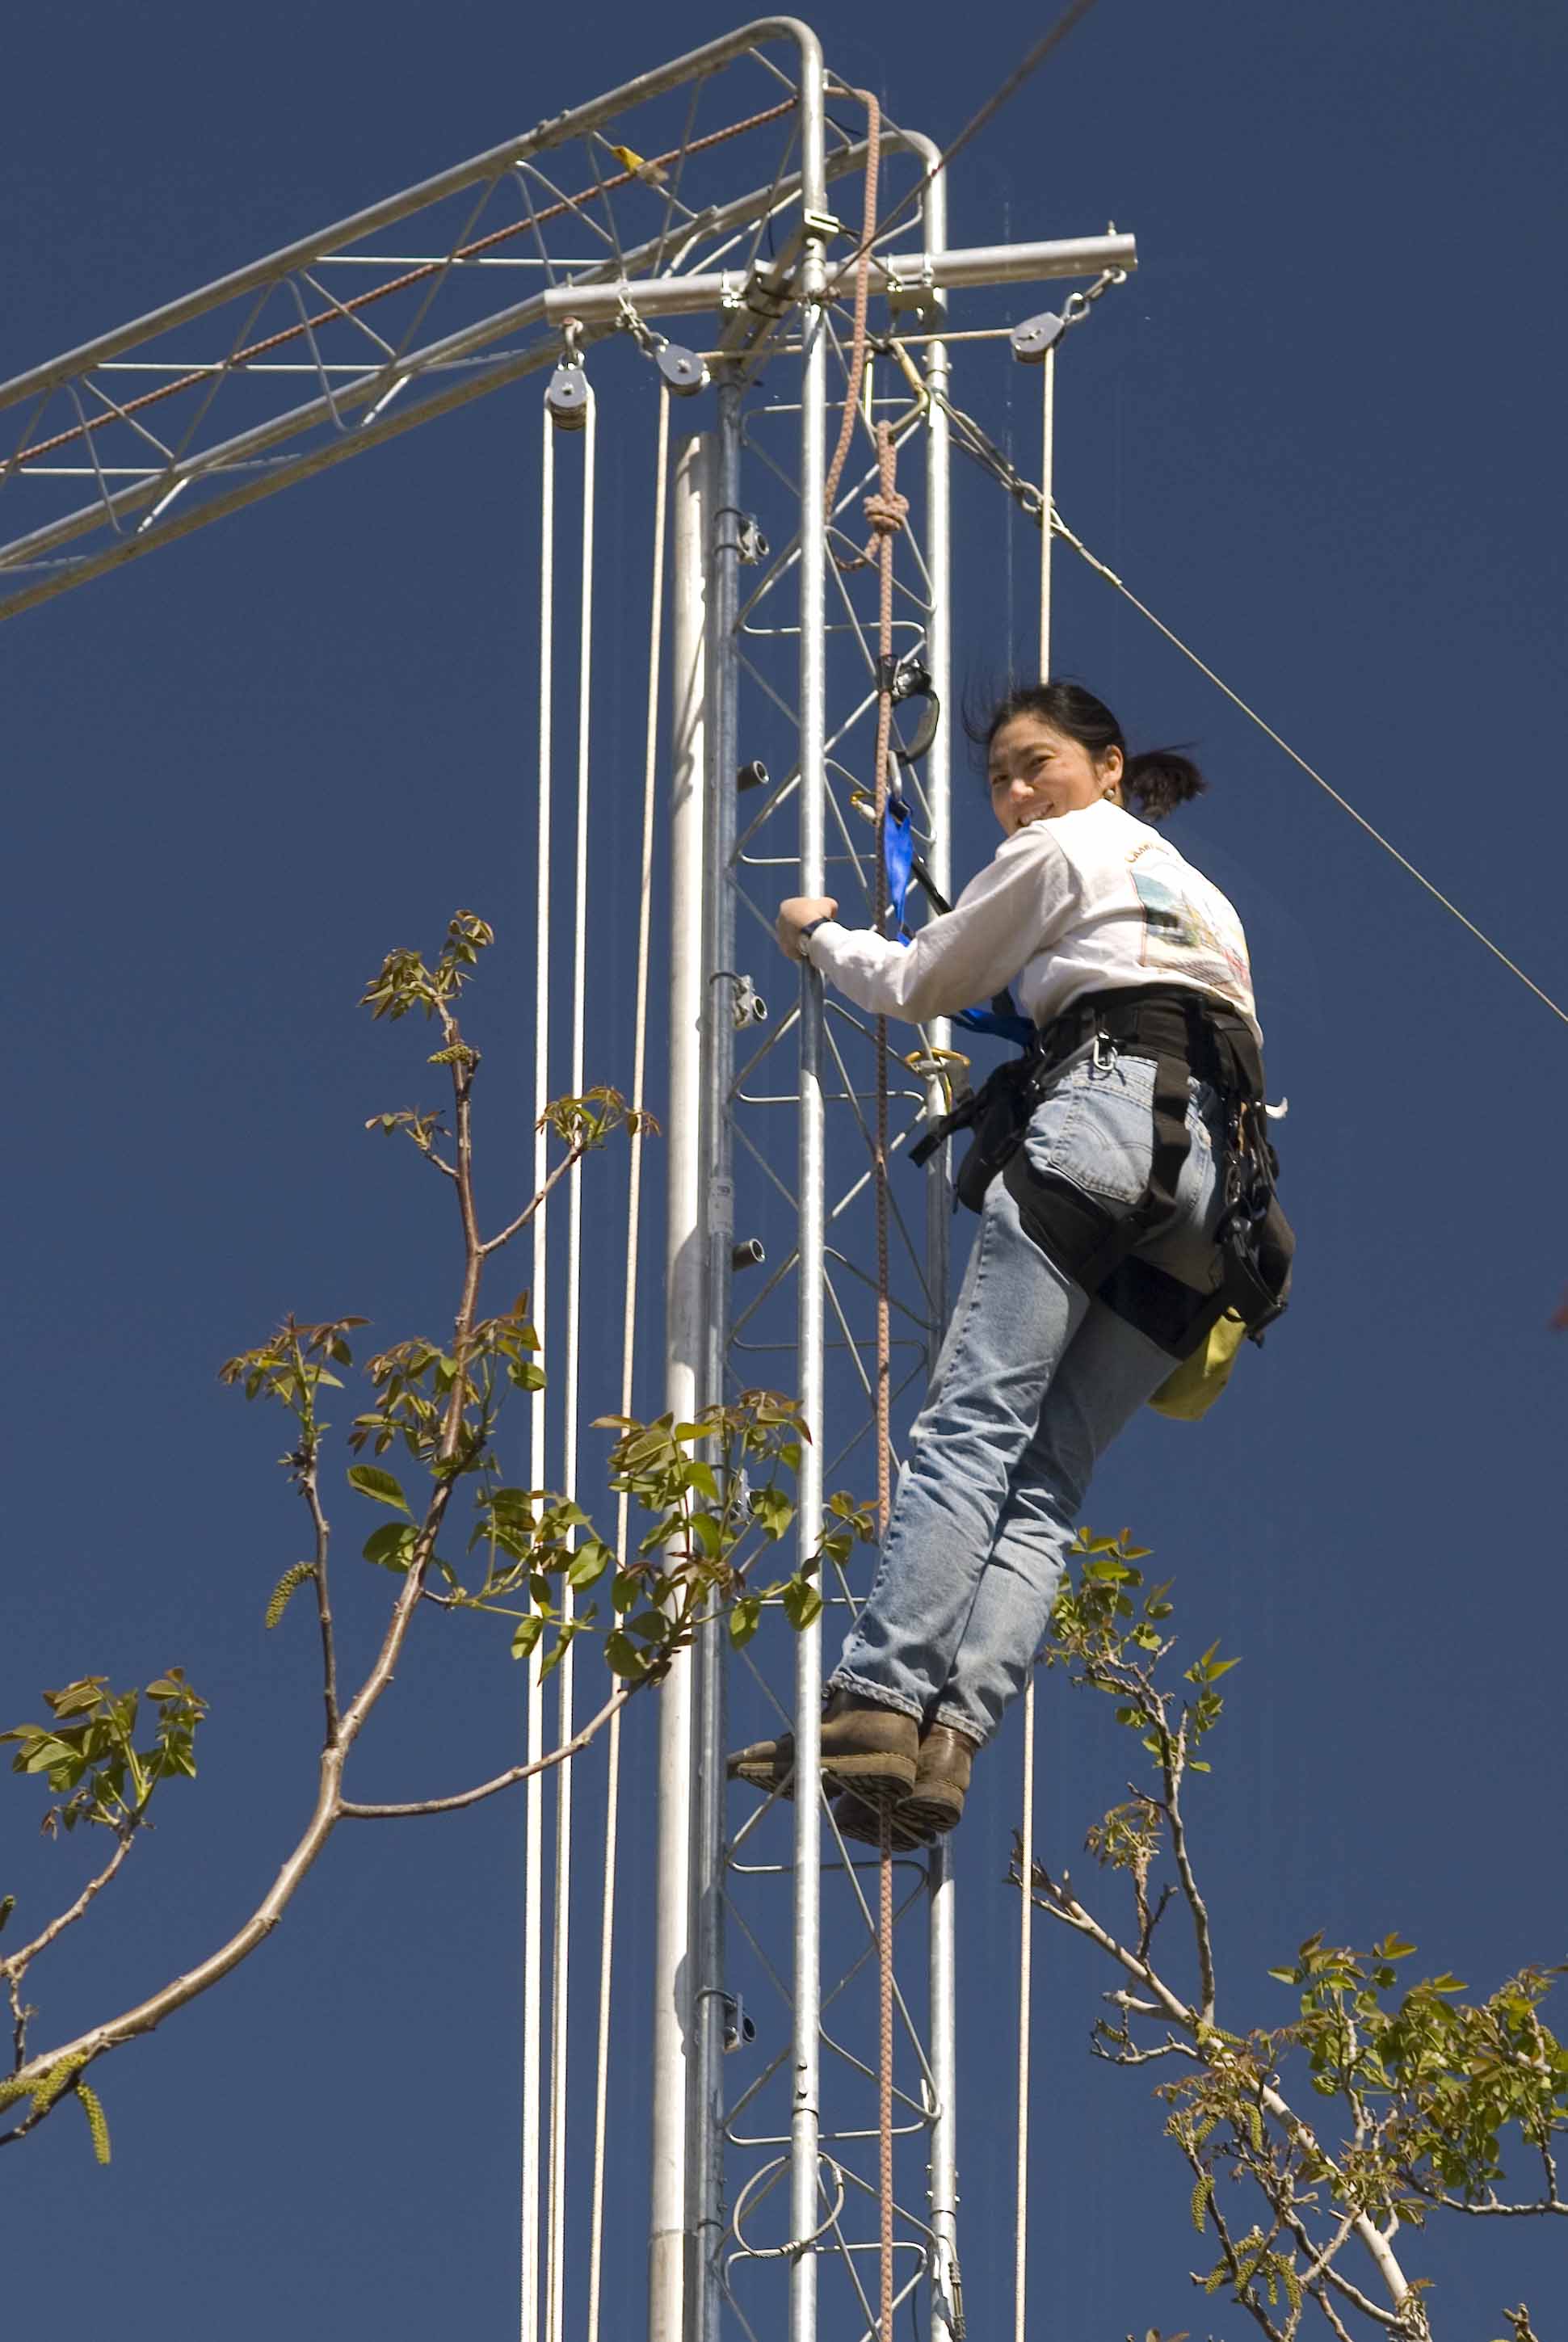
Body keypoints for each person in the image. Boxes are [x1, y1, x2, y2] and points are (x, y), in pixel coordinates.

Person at [728, 679, 1284, 1845]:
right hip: (1219, 1197)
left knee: (974, 1428)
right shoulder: (1203, 898)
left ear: (1108, 766)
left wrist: (816, 934)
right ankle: (950, 1743)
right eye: (1000, 779)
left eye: (1039, 763)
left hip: (1109, 1123)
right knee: (1047, 1480)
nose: (1019, 793)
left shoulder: (1056, 851)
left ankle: (879, 1702)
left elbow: (919, 982)